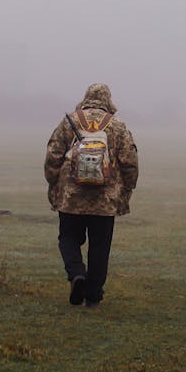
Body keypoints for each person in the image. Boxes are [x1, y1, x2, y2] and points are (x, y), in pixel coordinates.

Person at [44, 83, 139, 309]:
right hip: (105, 201)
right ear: (108, 100)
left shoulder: (70, 122)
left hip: (71, 197)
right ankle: (93, 296)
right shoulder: (117, 126)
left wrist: (54, 184)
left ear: (86, 98)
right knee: (99, 246)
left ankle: (77, 274)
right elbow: (129, 161)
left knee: (68, 239)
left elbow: (53, 155)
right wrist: (127, 189)